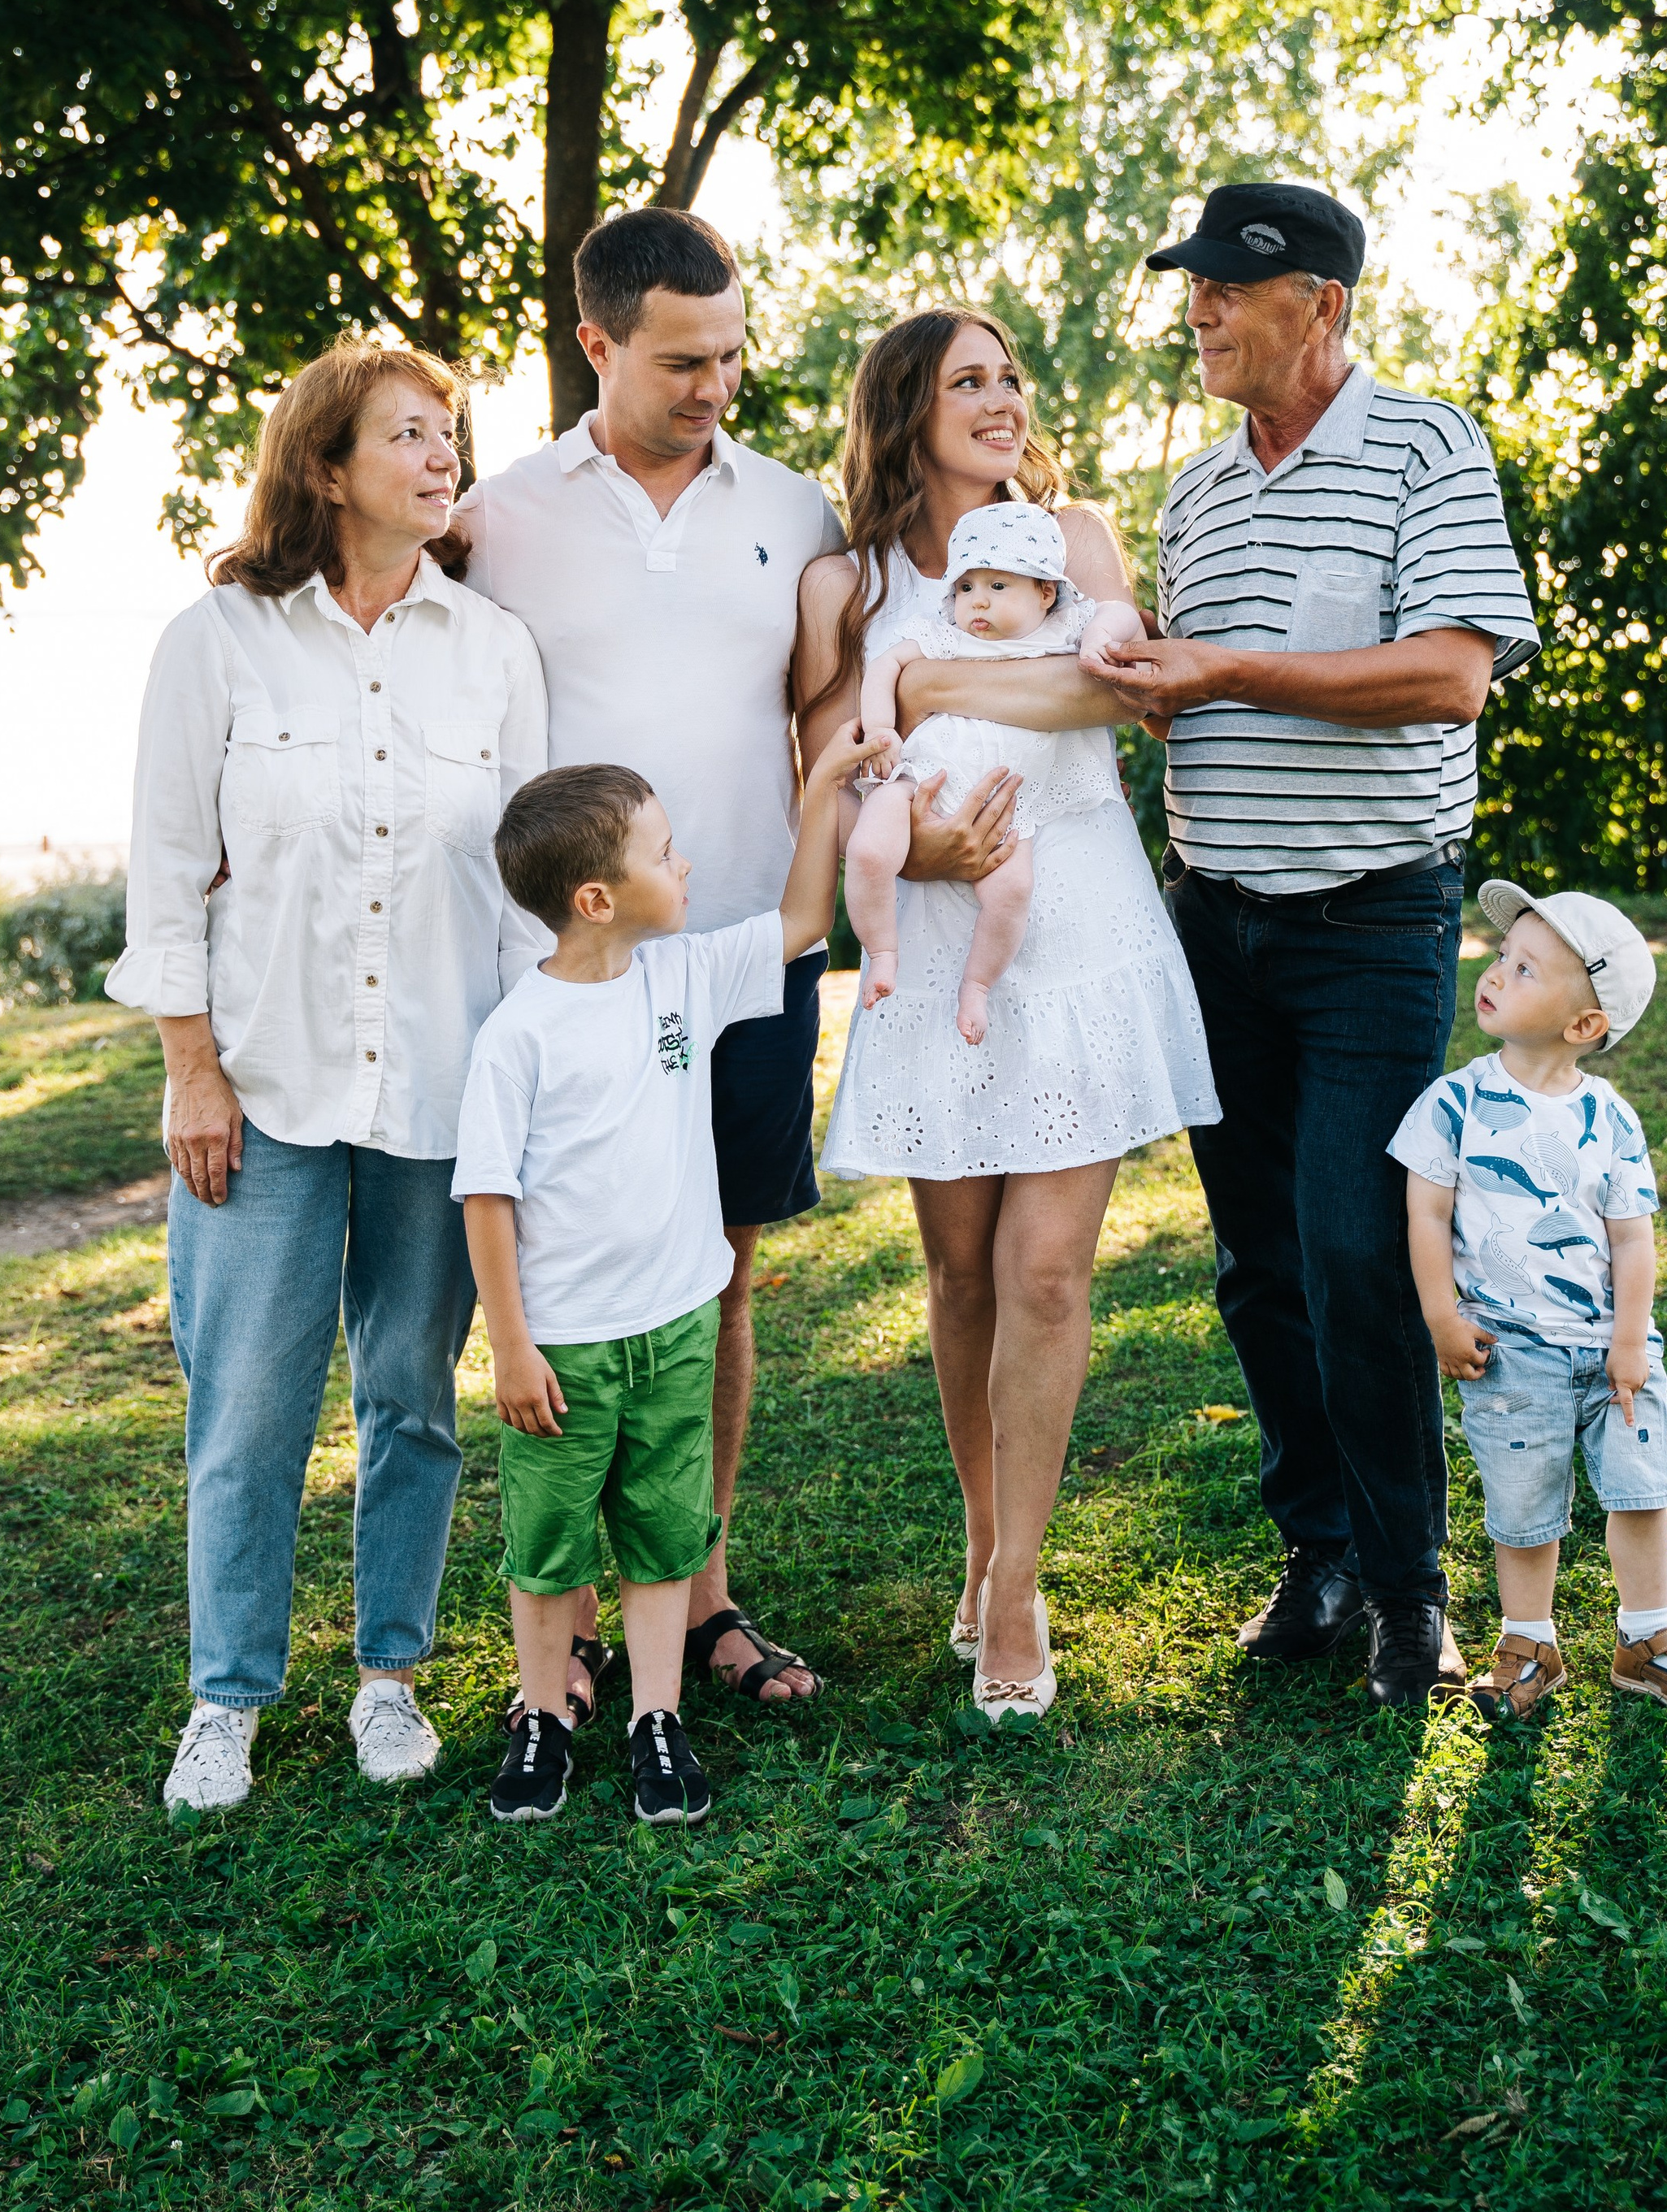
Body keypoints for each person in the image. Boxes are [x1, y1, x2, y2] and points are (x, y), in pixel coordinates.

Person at [455, 206, 1015, 1714]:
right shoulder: (499, 513)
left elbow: (837, 728)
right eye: (684, 359)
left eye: (733, 355)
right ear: (596, 342)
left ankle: (699, 1595)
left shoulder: (793, 512)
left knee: (722, 1277)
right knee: (575, 1287)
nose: (717, 385)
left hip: (753, 949)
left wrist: (914, 832)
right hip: (569, 978)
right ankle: (562, 1631)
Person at [1057, 180, 1543, 1706]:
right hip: (1218, 923)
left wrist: (1228, 666)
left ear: (1320, 302)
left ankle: (1412, 1589)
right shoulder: (1197, 490)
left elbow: (1452, 675)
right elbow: (1195, 690)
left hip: (1372, 923)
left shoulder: (1425, 445)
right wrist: (1145, 686)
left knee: (1354, 1247)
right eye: (1191, 283)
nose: (1196, 305)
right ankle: (1318, 1549)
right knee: (1261, 1263)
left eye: (1227, 284)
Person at [106, 341, 548, 1814]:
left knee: (415, 1389)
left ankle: (390, 1677)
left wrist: (532, 1082)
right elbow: (167, 872)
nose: (442, 457)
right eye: (408, 433)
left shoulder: (493, 649)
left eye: (452, 435)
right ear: (324, 463)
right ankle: (225, 1695)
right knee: (245, 1405)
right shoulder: (220, 638)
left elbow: (528, 890)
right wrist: (190, 1066)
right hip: (266, 1083)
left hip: (439, 1083)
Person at [802, 310, 1218, 1723]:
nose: (1001, 398)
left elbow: (1122, 689)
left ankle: (1022, 1581)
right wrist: (910, 823)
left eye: (1010, 376)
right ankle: (980, 1537)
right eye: (967, 379)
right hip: (933, 938)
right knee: (963, 1269)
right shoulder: (845, 583)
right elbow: (840, 765)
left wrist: (935, 682)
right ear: (905, 405)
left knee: (1047, 1271)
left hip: (1083, 923)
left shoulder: (1075, 534)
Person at [455, 725, 873, 1826]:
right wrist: (509, 1342)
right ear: (598, 897)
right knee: (547, 1549)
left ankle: (656, 1718)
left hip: (680, 1328)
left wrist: (824, 784)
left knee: (663, 1532)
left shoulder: (684, 974)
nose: (685, 865)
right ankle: (544, 1717)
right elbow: (486, 1197)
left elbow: (799, 923)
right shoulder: (520, 1035)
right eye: (665, 850)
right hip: (566, 1350)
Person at [1395, 883, 1667, 1717]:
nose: (1492, 973)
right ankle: (1528, 1640)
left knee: (1639, 1488)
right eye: (1499, 955)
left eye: (1523, 968)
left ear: (1584, 1025)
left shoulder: (1611, 1118)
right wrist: (1441, 1316)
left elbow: (1631, 1236)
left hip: (1612, 1347)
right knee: (1522, 1502)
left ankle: (1648, 1638)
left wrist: (1630, 1340)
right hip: (1511, 1347)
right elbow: (1424, 1211)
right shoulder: (1453, 1102)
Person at [847, 501, 1144, 1042]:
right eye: (965, 587)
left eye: (998, 586)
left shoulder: (1061, 630)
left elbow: (1123, 616)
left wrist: (1104, 629)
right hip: (922, 780)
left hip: (1010, 803)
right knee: (870, 849)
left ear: (1045, 592)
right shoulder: (946, 634)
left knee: (1012, 891)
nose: (977, 600)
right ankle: (882, 948)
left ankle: (978, 985)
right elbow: (886, 663)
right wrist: (881, 727)